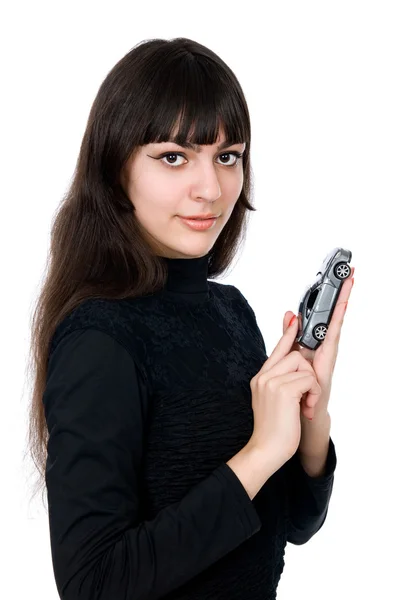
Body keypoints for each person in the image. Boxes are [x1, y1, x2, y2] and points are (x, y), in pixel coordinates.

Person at [26, 37, 337, 600]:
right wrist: (261, 451)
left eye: (228, 156)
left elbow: (289, 526)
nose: (211, 189)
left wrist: (309, 424)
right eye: (174, 157)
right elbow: (92, 585)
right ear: (115, 168)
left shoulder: (230, 312)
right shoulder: (99, 339)